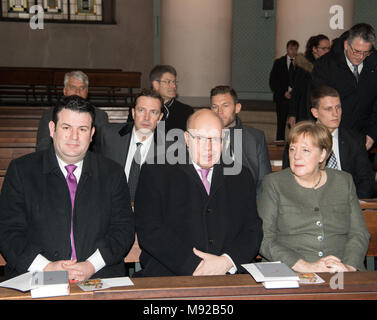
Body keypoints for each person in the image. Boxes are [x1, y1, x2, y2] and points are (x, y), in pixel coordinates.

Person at [0, 95, 135, 280]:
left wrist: (90, 265)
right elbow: (8, 231)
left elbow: (123, 230)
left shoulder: (113, 173)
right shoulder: (22, 171)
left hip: (98, 274)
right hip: (36, 274)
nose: (74, 136)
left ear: (92, 133)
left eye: (82, 129)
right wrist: (46, 268)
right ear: (52, 129)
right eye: (66, 128)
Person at [134, 109, 263, 277]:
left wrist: (226, 262)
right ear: (187, 139)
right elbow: (149, 228)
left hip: (228, 274)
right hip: (171, 274)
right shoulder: (156, 171)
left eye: (215, 139)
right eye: (200, 138)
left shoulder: (240, 175)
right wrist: (195, 266)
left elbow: (252, 230)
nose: (208, 147)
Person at [259, 121, 370, 272]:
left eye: (305, 150)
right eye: (292, 149)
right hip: (292, 271)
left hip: (340, 269)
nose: (296, 156)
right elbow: (265, 239)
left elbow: (359, 233)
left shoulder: (343, 181)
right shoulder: (274, 184)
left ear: (322, 154)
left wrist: (349, 267)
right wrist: (306, 266)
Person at [283, 86, 375, 199]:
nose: (335, 114)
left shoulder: (354, 140)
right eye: (328, 109)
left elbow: (366, 180)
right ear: (315, 113)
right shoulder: (299, 139)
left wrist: (352, 203)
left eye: (338, 107)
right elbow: (289, 179)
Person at [311, 23, 377, 151]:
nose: (361, 57)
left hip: (364, 138)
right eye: (356, 51)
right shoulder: (325, 66)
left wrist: (372, 134)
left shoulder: (374, 63)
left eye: (366, 53)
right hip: (331, 137)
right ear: (346, 45)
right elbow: (319, 104)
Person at [98, 89, 164, 203]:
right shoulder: (109, 136)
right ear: (133, 113)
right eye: (141, 110)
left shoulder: (170, 148)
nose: (146, 118)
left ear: (160, 118)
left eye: (153, 112)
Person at [210, 85, 271, 196]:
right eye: (215, 107)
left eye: (225, 105)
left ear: (237, 108)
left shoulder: (255, 137)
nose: (219, 112)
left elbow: (264, 182)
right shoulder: (201, 138)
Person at [36, 70, 109, 152]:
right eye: (72, 87)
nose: (77, 92)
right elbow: (42, 148)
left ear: (87, 92)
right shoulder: (49, 115)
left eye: (82, 88)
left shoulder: (100, 116)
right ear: (64, 91)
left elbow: (104, 150)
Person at [128, 65, 194, 133]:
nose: (173, 86)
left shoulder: (185, 111)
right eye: (168, 82)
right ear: (156, 84)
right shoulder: (138, 108)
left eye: (174, 82)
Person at [287, 34, 331, 126]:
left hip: (323, 110)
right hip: (305, 111)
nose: (327, 52)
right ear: (314, 49)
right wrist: (292, 114)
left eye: (329, 48)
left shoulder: (329, 66)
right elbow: (296, 91)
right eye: (324, 49)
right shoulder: (305, 67)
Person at [269, 40, 299, 140]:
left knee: (295, 123)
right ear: (287, 49)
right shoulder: (279, 62)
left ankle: (294, 142)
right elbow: (273, 81)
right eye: (291, 49)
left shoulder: (300, 63)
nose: (293, 51)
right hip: (282, 98)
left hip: (295, 98)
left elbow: (302, 81)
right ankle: (279, 142)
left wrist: (294, 93)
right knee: (281, 123)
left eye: (295, 49)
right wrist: (283, 92)